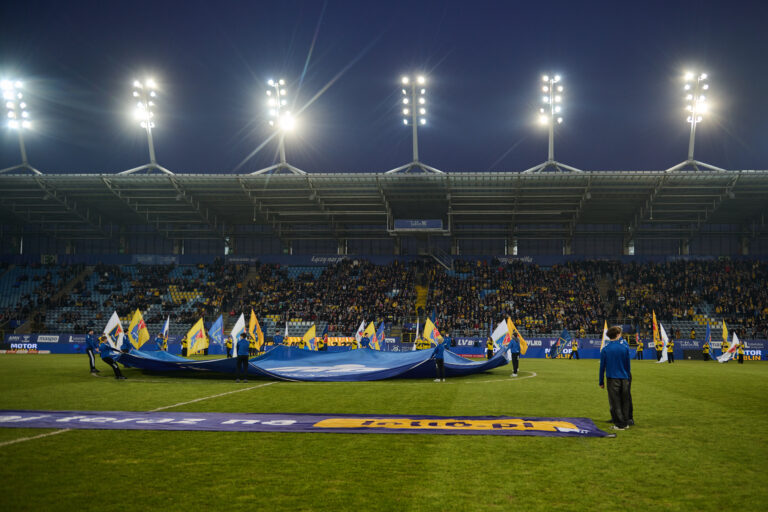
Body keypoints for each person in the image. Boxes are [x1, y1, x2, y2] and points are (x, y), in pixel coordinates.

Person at [599, 326, 632, 431]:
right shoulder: (625, 347)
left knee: (615, 401)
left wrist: (601, 381)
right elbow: (628, 364)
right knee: (625, 400)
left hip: (612, 378)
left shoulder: (605, 349)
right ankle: (626, 421)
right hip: (625, 377)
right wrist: (627, 376)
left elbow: (602, 367)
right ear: (618, 335)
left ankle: (620, 424)